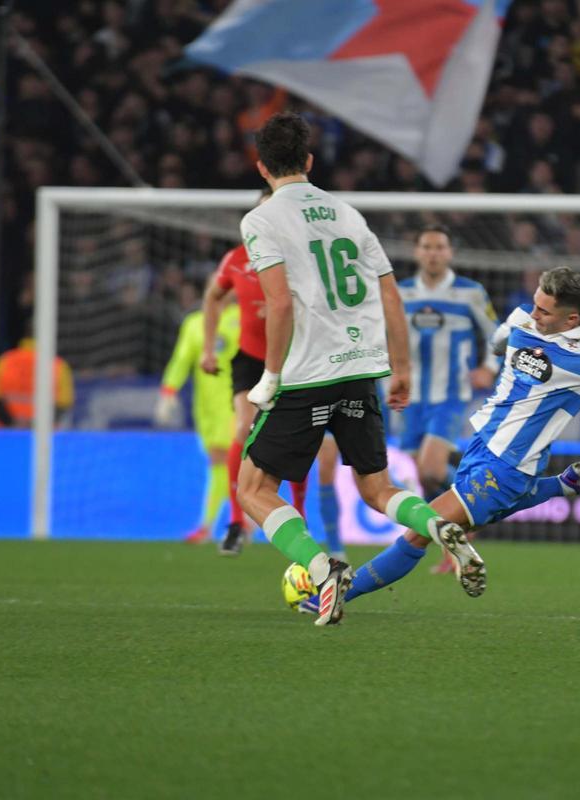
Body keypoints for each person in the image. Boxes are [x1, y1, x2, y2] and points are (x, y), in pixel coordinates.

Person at [302, 267, 580, 614]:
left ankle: (338, 594)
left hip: (506, 466)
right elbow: (502, 338)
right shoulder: (523, 321)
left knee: (419, 532)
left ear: (572, 319)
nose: (535, 314)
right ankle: (566, 484)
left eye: (545, 312)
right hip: (480, 447)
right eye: (535, 304)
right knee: (463, 515)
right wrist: (498, 346)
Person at [236, 112, 478, 626]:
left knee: (253, 489)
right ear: (309, 161)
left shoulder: (261, 219)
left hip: (307, 375)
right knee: (377, 488)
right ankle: (436, 525)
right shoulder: (348, 214)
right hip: (362, 371)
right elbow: (390, 295)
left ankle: (322, 568)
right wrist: (401, 368)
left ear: (261, 168)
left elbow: (279, 303)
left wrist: (270, 376)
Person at [201, 195, 331, 557]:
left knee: (298, 439)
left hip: (294, 358)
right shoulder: (236, 258)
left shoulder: (304, 258)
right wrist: (208, 349)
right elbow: (213, 297)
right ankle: (236, 523)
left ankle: (299, 514)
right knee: (243, 428)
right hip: (250, 358)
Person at [397, 226, 500, 574]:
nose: (433, 253)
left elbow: (497, 335)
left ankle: (478, 501)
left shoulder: (470, 292)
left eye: (439, 247)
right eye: (427, 247)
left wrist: (488, 368)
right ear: (417, 252)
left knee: (430, 469)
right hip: (411, 399)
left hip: (450, 396)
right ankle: (453, 545)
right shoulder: (401, 293)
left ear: (450, 252)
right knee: (426, 478)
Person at [155, 289, 239, 547]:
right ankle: (240, 523)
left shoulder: (242, 318)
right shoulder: (194, 323)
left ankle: (211, 525)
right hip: (204, 406)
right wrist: (168, 391)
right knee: (222, 461)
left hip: (236, 400)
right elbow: (181, 359)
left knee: (225, 458)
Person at [0, 323, 74, 429]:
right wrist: (37, 424)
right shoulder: (59, 366)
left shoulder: (3, 362)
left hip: (6, 433)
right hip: (43, 434)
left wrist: (13, 422)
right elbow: (64, 404)